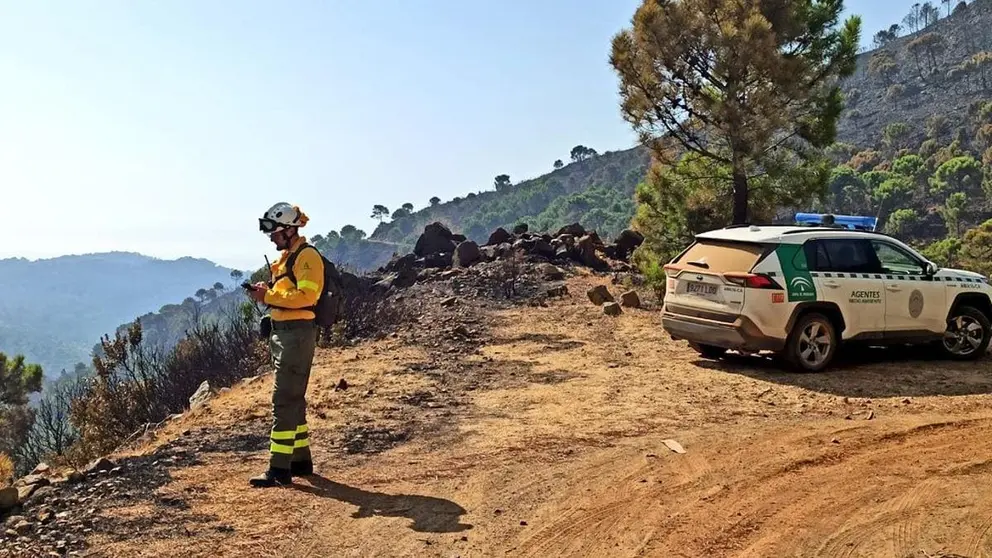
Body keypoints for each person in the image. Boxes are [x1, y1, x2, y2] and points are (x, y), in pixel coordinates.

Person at [247, 202, 324, 487]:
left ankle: (279, 469)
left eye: (274, 231)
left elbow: (307, 297)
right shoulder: (289, 257)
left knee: (284, 401)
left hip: (297, 334)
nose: (270, 236)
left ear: (290, 230)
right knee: (294, 400)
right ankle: (300, 461)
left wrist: (267, 298)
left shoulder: (307, 257)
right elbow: (288, 294)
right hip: (284, 333)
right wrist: (267, 293)